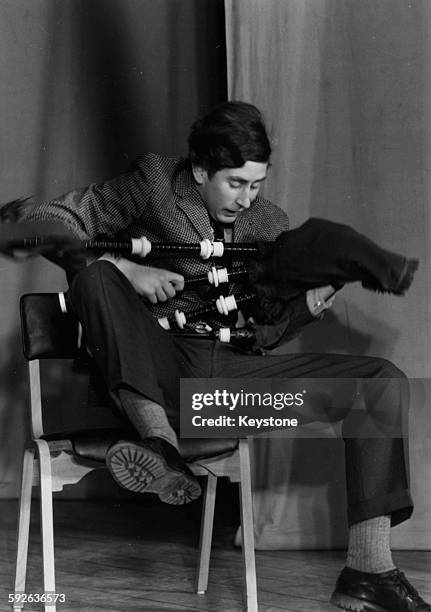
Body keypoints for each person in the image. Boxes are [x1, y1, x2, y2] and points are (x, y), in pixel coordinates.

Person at [17, 101, 430, 611]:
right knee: (95, 277)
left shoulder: (266, 223)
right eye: (235, 183)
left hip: (219, 398)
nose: (247, 198)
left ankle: (369, 572)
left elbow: (268, 336)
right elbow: (46, 219)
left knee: (380, 381)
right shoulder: (152, 185)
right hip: (155, 380)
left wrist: (312, 298)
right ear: (199, 169)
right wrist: (123, 267)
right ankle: (159, 446)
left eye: (256, 184)